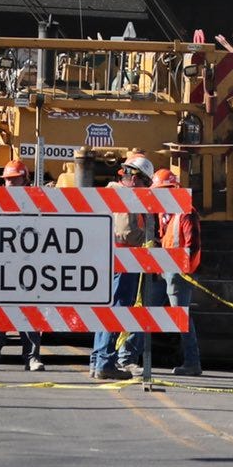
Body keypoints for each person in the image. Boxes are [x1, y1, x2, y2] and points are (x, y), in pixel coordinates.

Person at [92, 153, 161, 380]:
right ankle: (104, 362)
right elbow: (127, 232)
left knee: (107, 308)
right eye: (145, 182)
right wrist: (150, 238)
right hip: (124, 260)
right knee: (118, 309)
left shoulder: (116, 193)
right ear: (135, 178)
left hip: (114, 259)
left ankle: (98, 360)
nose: (146, 187)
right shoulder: (125, 197)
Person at [0, 159, 46, 373]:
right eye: (8, 180)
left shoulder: (35, 201)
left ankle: (32, 358)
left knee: (29, 311)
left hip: (28, 264)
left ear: (25, 179)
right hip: (2, 265)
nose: (10, 183)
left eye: (15, 179)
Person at [155, 164, 202, 378]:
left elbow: (193, 245)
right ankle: (127, 357)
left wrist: (184, 270)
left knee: (181, 318)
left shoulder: (185, 212)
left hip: (178, 273)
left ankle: (192, 362)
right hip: (164, 270)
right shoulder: (164, 213)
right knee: (144, 311)